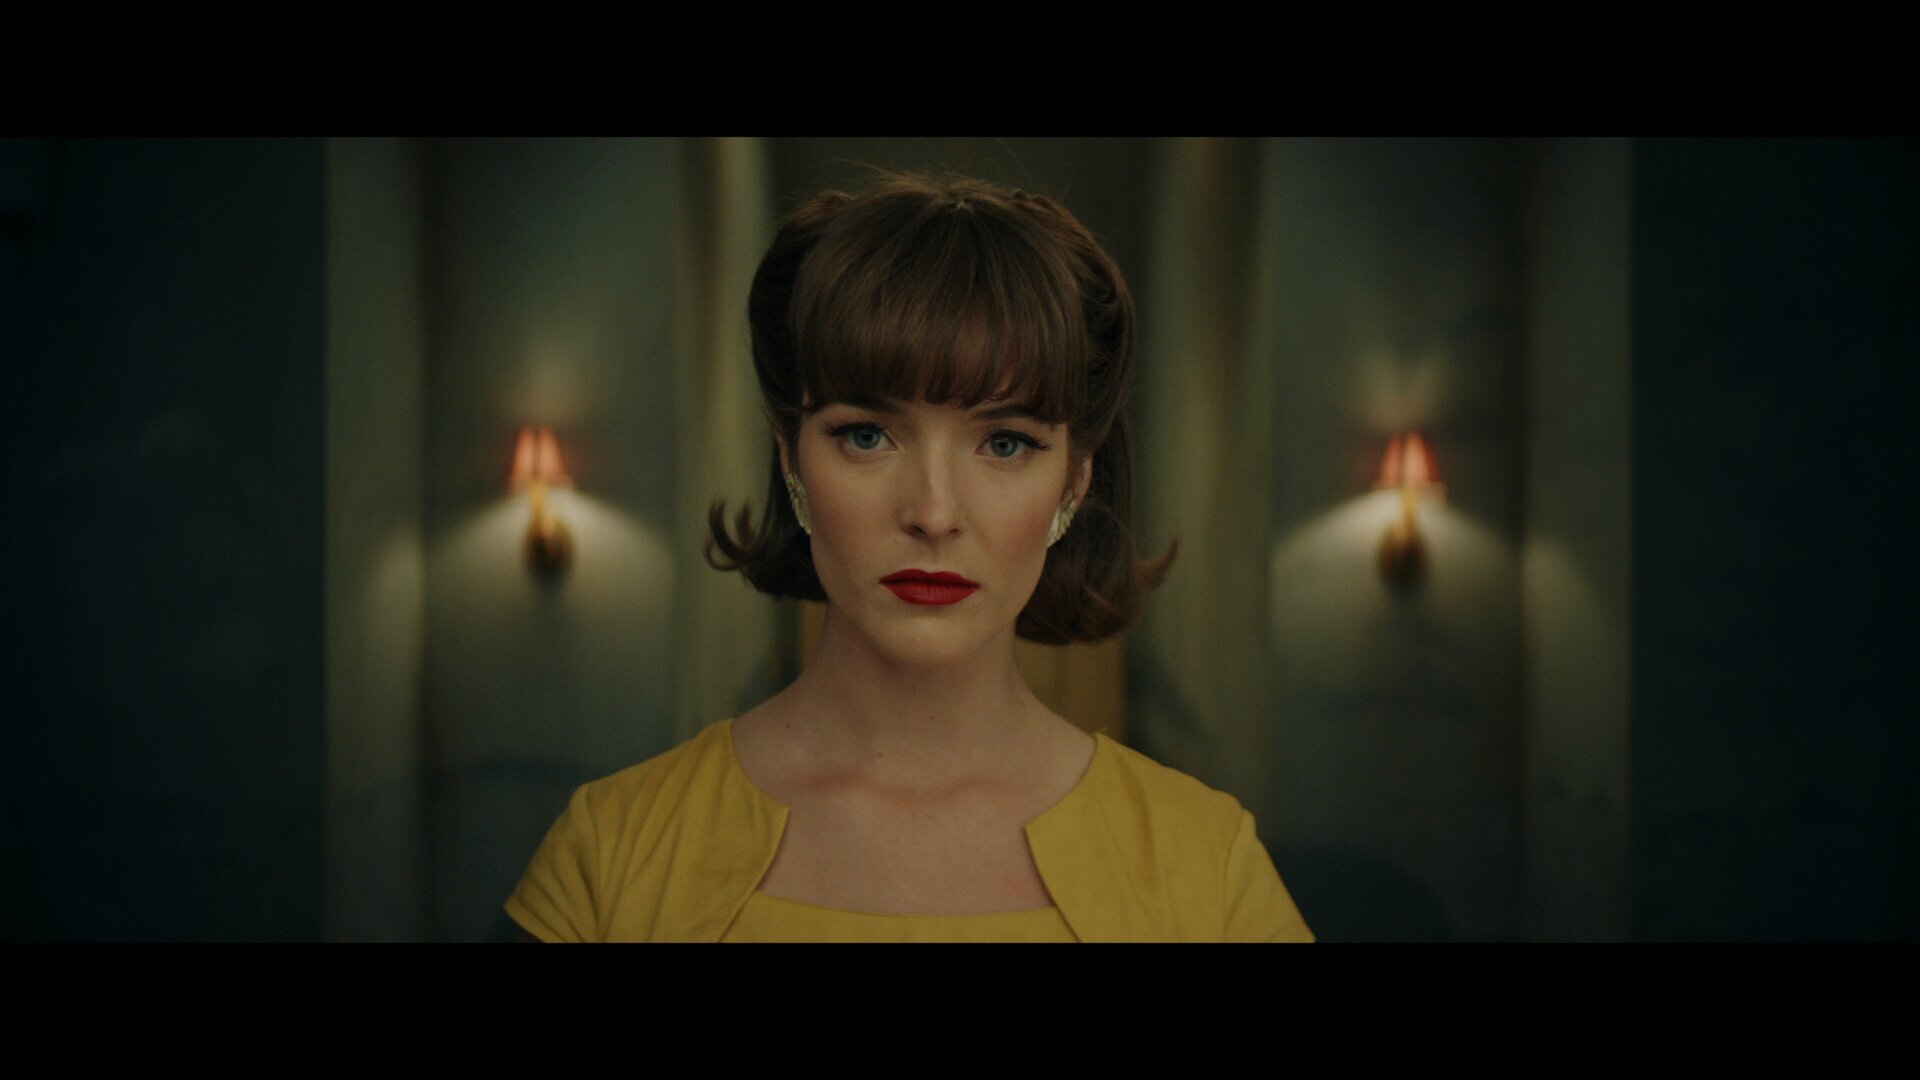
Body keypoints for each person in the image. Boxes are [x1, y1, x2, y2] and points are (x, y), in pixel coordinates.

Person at [505, 173, 1313, 942]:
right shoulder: (612, 852)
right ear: (791, 459)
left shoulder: (1208, 866)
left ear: (1075, 482)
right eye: (867, 436)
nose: (933, 513)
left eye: (1005, 443)